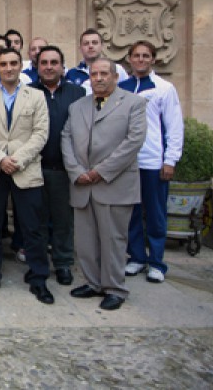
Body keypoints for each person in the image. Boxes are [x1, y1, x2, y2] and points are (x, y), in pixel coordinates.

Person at [62, 57, 147, 310]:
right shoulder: (77, 106)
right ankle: (93, 282)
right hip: (82, 183)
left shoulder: (134, 103)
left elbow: (133, 142)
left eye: (103, 74)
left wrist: (100, 171)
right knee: (86, 240)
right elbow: (66, 138)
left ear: (115, 76)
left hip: (113, 183)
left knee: (113, 240)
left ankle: (114, 288)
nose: (98, 78)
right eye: (94, 74)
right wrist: (76, 171)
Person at [0, 47, 54, 304]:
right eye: (3, 64)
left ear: (21, 66)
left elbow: (41, 133)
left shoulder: (36, 96)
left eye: (13, 63)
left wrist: (17, 160)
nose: (8, 68)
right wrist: (0, 159)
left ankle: (39, 278)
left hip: (25, 169)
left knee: (32, 228)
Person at [120, 41, 183, 283]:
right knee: (131, 212)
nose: (141, 60)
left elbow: (174, 126)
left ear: (153, 59)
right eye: (136, 55)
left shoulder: (164, 88)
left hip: (153, 161)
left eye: (146, 56)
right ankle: (136, 257)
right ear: (130, 59)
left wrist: (170, 160)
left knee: (155, 214)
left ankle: (156, 262)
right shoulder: (122, 87)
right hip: (126, 163)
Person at [29, 46, 85, 286]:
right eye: (44, 62)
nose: (49, 66)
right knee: (36, 223)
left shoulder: (78, 93)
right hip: (34, 167)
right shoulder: (28, 92)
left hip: (65, 169)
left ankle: (63, 264)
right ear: (37, 66)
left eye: (54, 62)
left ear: (63, 66)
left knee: (64, 222)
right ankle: (38, 265)